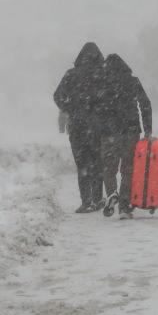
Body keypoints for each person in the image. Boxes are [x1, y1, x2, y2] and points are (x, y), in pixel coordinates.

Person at [96, 53, 152, 220]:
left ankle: (112, 192)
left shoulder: (102, 83)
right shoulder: (132, 81)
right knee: (128, 168)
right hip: (130, 130)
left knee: (108, 168)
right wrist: (148, 128)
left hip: (109, 133)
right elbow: (145, 104)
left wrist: (98, 126)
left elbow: (93, 107)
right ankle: (124, 206)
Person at [53, 42, 105, 213]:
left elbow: (57, 95)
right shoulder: (102, 74)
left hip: (77, 126)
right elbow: (111, 98)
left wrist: (71, 109)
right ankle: (98, 199)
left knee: (82, 164)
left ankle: (86, 201)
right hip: (98, 126)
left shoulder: (71, 74)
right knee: (98, 162)